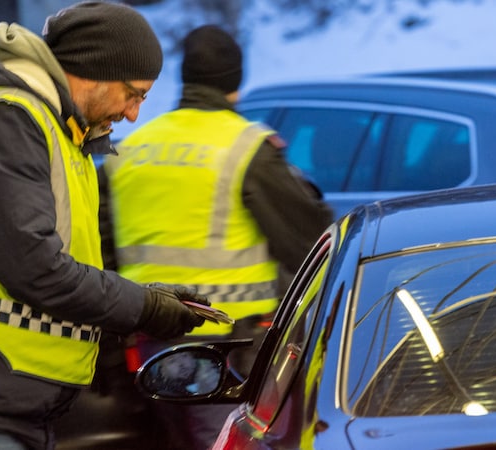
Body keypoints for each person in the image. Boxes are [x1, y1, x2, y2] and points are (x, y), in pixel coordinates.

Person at [0, 2, 212, 449]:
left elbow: (65, 266)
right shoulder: (8, 117)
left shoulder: (63, 134)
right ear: (96, 71)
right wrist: (144, 309)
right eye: (135, 94)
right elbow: (35, 267)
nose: (133, 114)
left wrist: (147, 300)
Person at [99, 24, 334, 450]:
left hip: (147, 345)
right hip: (228, 347)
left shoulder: (131, 150)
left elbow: (99, 253)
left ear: (185, 77)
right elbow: (312, 245)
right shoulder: (246, 148)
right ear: (235, 82)